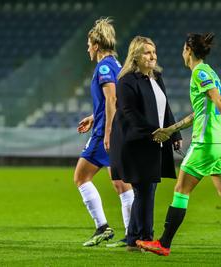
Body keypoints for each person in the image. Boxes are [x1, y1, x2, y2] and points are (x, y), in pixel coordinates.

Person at [137, 33, 221, 257]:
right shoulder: (210, 72)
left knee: (180, 190)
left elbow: (217, 99)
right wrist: (171, 129)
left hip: (207, 141)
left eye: (183, 48)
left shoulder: (199, 72)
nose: (182, 52)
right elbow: (200, 112)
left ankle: (164, 243)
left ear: (188, 49)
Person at [110, 36, 182, 251]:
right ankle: (144, 237)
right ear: (135, 56)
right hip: (135, 142)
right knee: (144, 189)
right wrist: (154, 131)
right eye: (147, 53)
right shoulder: (126, 81)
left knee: (147, 189)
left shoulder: (156, 76)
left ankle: (134, 239)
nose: (153, 56)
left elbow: (165, 107)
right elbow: (128, 113)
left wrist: (174, 134)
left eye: (154, 52)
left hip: (154, 140)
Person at [74, 17, 134, 247]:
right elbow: (112, 101)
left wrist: (107, 132)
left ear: (97, 45)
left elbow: (112, 98)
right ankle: (132, 234)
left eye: (89, 44)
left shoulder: (106, 67)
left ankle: (103, 227)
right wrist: (93, 117)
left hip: (105, 134)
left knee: (81, 177)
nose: (88, 48)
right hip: (111, 129)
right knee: (120, 183)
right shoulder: (117, 65)